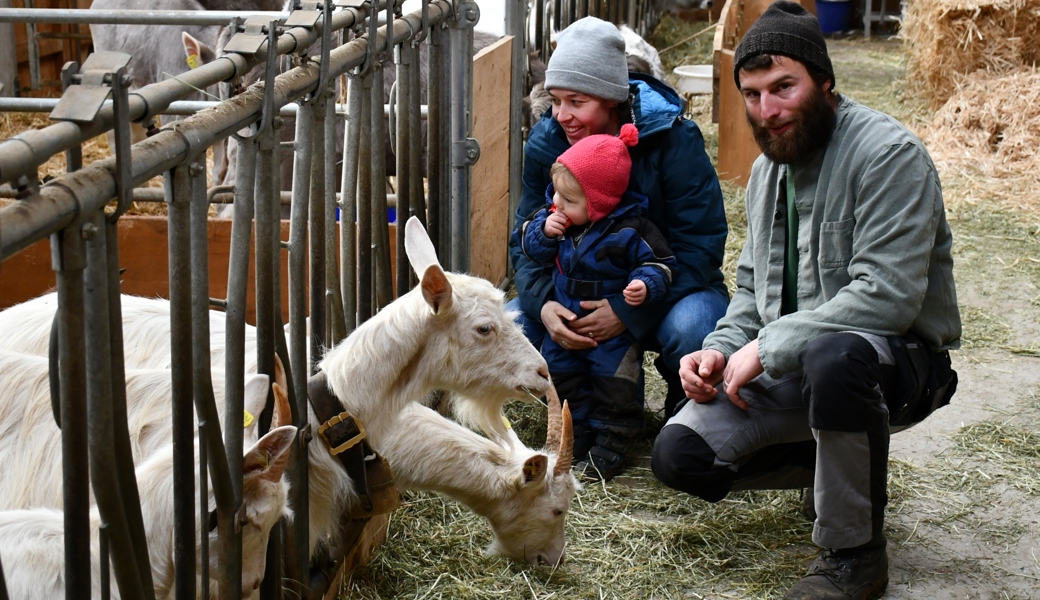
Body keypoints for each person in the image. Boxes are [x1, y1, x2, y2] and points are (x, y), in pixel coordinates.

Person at [649, 3, 961, 599]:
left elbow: (889, 297)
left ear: (823, 80)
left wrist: (769, 345)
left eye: (784, 86)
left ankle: (854, 554)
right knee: (678, 453)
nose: (768, 109)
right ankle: (838, 473)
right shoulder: (769, 173)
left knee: (834, 357)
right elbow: (749, 290)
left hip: (894, 363)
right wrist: (717, 350)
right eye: (753, 93)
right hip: (801, 364)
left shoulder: (889, 155)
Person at [508, 16, 730, 448]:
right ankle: (575, 413)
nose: (563, 116)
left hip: (658, 285)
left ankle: (685, 415)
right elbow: (525, 237)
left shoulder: (671, 139)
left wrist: (628, 310)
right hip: (574, 290)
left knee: (696, 327)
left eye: (577, 101)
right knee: (514, 322)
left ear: (612, 99)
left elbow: (700, 246)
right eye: (556, 100)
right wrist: (546, 305)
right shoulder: (548, 143)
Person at [514, 123, 679, 480]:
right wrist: (542, 232)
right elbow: (526, 245)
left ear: (601, 204)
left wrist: (642, 286)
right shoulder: (554, 219)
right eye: (556, 195)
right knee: (561, 377)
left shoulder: (631, 230)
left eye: (569, 200)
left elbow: (659, 264)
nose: (556, 204)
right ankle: (578, 433)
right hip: (564, 319)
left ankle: (613, 442)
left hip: (611, 329)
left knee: (615, 383)